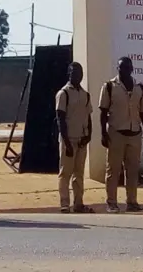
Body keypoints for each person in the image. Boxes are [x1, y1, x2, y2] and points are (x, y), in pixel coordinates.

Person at [99, 56, 143, 213]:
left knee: (133, 170)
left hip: (135, 134)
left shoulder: (139, 88)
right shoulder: (109, 86)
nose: (125, 70)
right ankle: (111, 202)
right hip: (116, 133)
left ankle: (132, 202)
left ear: (132, 69)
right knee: (113, 170)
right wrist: (103, 133)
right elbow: (103, 112)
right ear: (118, 68)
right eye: (122, 67)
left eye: (128, 68)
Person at [55, 62, 94, 213]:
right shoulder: (63, 94)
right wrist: (66, 142)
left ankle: (78, 204)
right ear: (69, 74)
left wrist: (89, 135)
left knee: (79, 174)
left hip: (82, 139)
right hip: (68, 139)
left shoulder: (85, 94)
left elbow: (88, 116)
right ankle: (64, 204)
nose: (78, 75)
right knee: (65, 173)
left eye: (80, 73)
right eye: (74, 73)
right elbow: (60, 119)